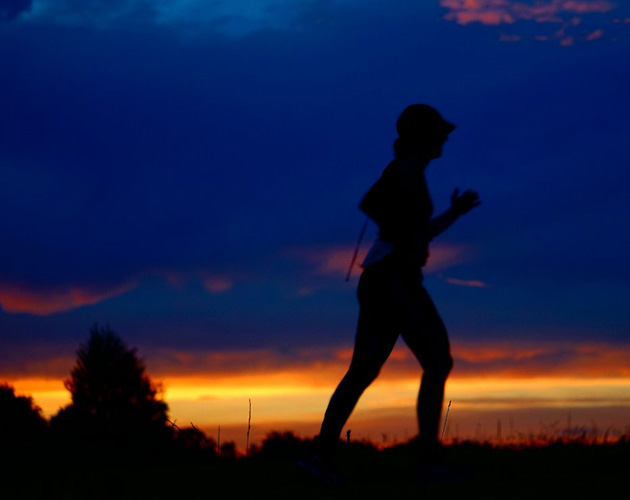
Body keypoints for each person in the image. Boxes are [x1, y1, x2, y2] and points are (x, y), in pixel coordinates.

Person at [310, 104, 480, 481]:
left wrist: (453, 214)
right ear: (424, 138)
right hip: (394, 280)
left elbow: (413, 231)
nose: (445, 139)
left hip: (384, 279)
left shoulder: (411, 173)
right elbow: (375, 206)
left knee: (364, 370)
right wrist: (400, 234)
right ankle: (428, 461)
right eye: (439, 133)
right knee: (436, 361)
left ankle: (320, 457)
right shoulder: (404, 173)